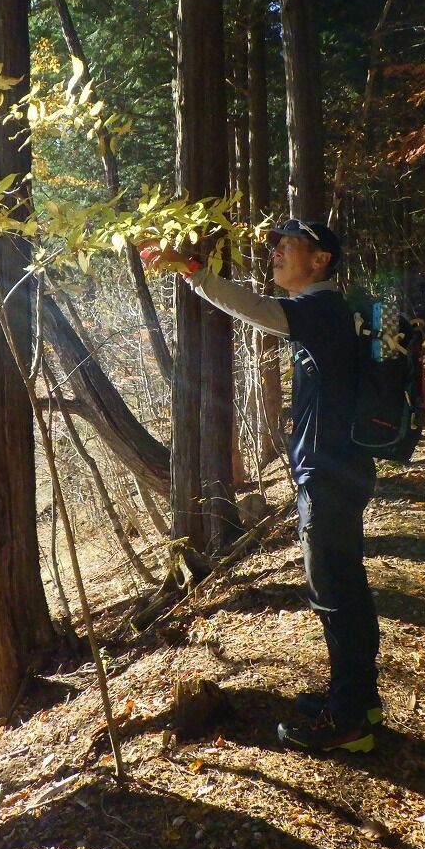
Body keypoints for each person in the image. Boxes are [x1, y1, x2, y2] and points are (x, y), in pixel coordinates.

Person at [140, 219, 381, 753]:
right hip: (341, 469)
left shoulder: (320, 308)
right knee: (345, 588)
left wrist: (192, 271)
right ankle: (357, 702)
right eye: (276, 244)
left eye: (288, 245)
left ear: (320, 260)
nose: (276, 251)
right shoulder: (333, 311)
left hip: (329, 474)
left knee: (335, 593)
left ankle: (349, 723)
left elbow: (252, 308)